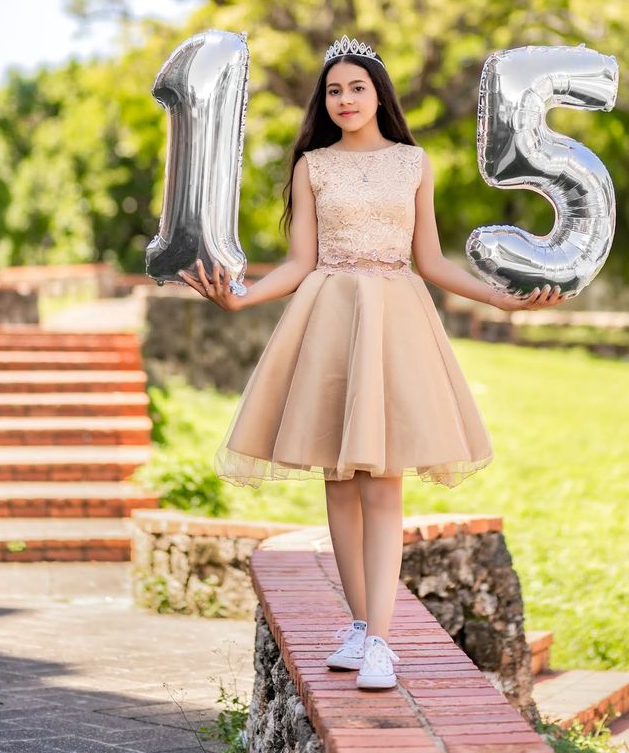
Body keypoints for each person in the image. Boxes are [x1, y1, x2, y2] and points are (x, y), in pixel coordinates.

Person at [179, 35, 564, 692]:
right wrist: (241, 299)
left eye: (357, 87)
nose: (345, 99)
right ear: (323, 102)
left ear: (378, 95)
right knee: (339, 481)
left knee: (384, 483)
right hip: (329, 317)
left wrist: (504, 300)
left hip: (395, 317)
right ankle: (359, 625)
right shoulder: (313, 167)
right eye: (334, 90)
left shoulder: (413, 162)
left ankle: (382, 641)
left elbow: (433, 262)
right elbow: (301, 261)